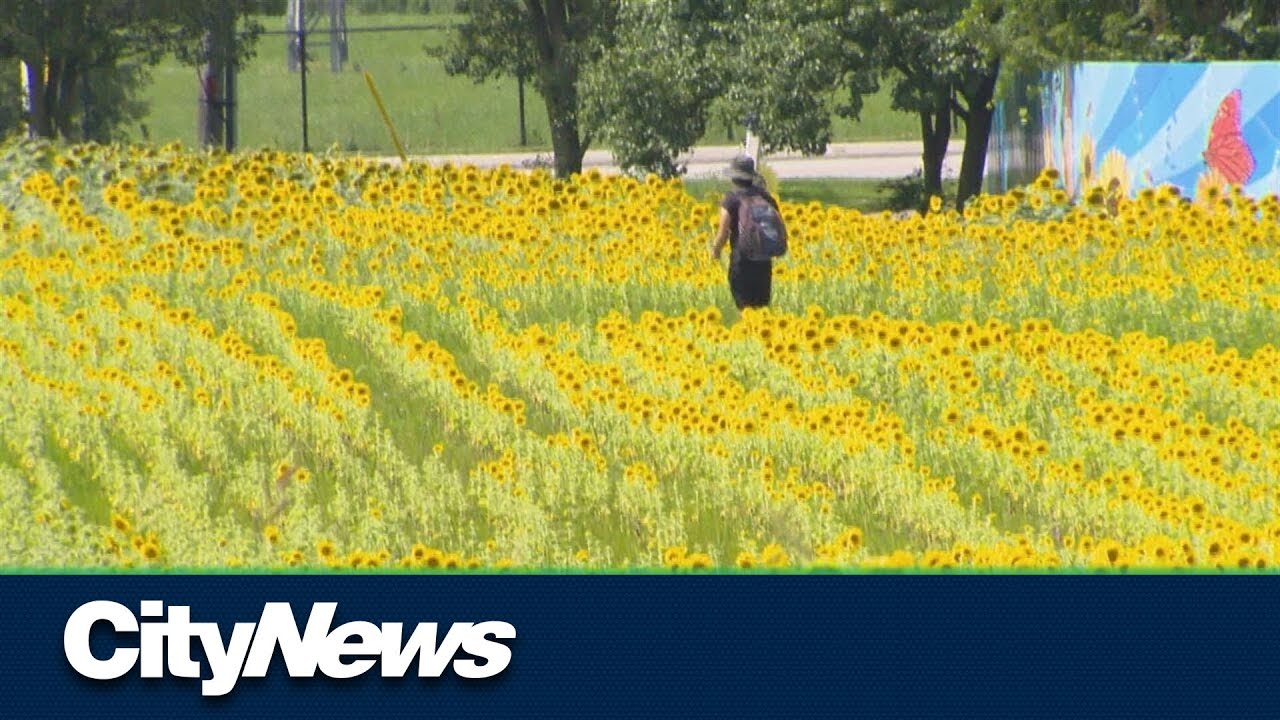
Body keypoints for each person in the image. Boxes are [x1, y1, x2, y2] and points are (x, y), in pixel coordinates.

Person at [709, 155, 781, 310]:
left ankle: (748, 333)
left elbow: (723, 232)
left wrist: (715, 251)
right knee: (762, 307)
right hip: (763, 260)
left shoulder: (731, 199)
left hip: (742, 260)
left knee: (745, 308)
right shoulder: (766, 197)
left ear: (734, 177)